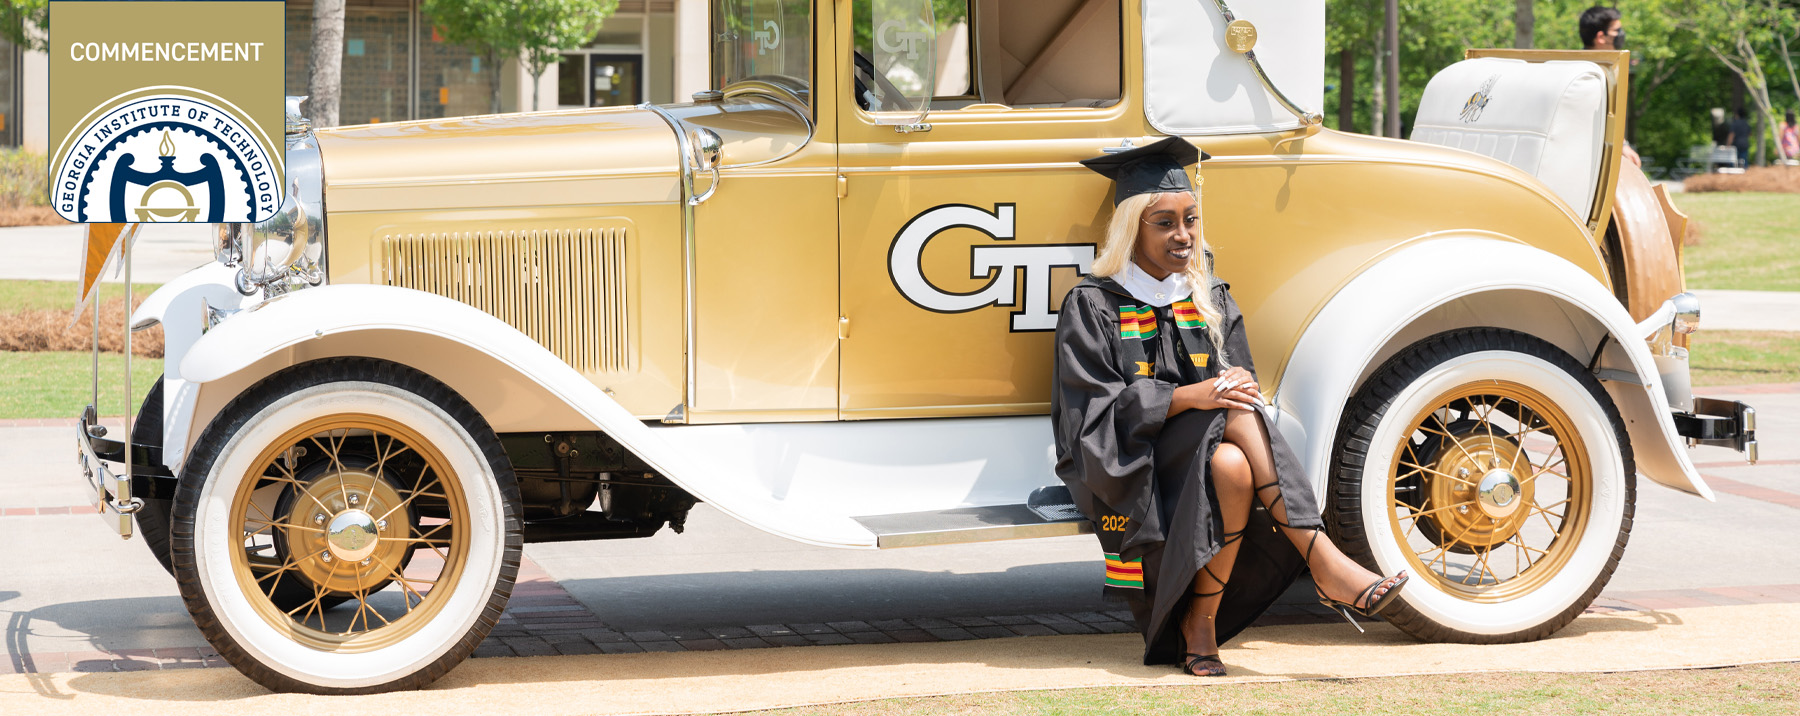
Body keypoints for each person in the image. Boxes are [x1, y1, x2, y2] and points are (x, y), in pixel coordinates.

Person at [1051, 137, 1407, 678]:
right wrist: (1192, 396)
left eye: (1190, 220)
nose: (1183, 235)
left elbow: (1241, 386)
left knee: (1234, 466)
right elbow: (1090, 415)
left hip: (1210, 446)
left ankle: (1201, 625)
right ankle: (1322, 558)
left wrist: (1236, 381)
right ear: (1131, 229)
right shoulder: (1093, 303)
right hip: (1128, 455)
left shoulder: (1208, 297)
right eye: (1164, 222)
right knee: (1234, 416)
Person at [1579, 6, 1642, 166]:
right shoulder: (1589, 74)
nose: (1621, 35)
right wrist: (1622, 146)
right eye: (1617, 30)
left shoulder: (1586, 67)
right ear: (1601, 37)